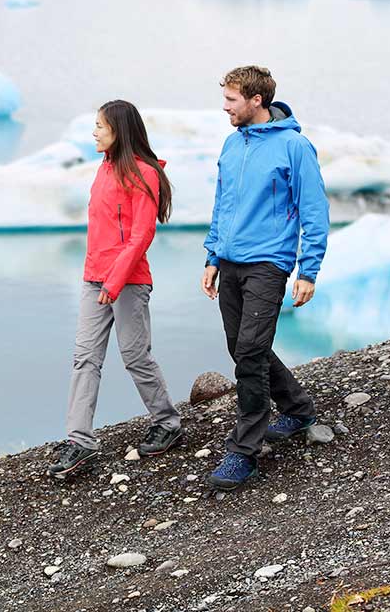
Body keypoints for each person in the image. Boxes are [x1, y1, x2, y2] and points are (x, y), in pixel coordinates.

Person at [200, 65, 329, 491]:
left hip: (269, 263)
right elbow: (222, 203)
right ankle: (298, 408)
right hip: (231, 262)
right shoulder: (232, 145)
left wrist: (308, 270)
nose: (225, 107)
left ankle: (244, 451)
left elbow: (314, 211)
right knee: (242, 347)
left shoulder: (294, 147)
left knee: (251, 354)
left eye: (232, 100)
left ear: (257, 100)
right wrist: (213, 255)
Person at [49, 99, 184, 478]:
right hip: (94, 278)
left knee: (135, 356)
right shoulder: (104, 169)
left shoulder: (146, 174)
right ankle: (80, 441)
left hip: (128, 281)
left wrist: (115, 280)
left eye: (100, 126)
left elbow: (141, 235)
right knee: (84, 358)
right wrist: (99, 277)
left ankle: (168, 422)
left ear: (119, 131)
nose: (94, 132)